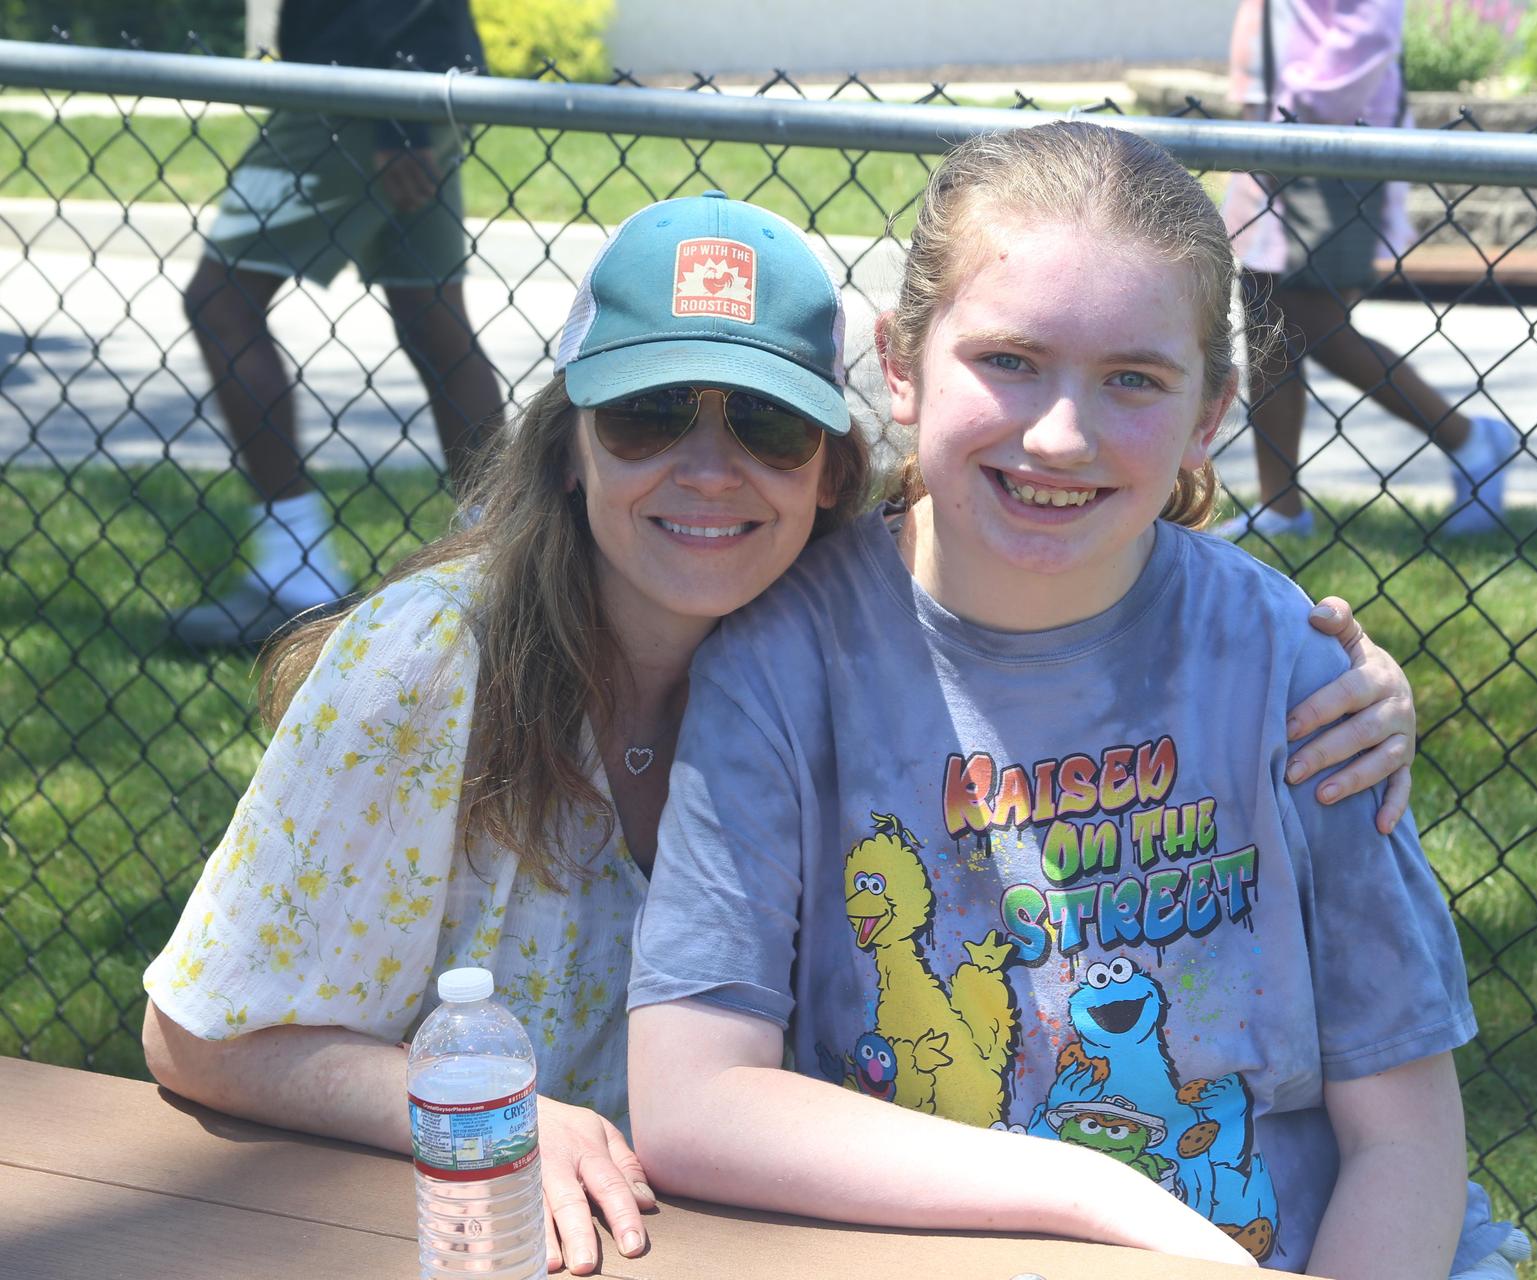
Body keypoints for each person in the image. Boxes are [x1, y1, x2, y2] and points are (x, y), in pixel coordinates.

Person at [142, 190, 1424, 1276]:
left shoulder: (807, 639)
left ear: (830, 461)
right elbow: (197, 1032)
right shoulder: (430, 667)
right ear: (570, 443)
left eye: (762, 424)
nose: (708, 470)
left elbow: (1058, 547)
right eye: (648, 416)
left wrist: (1340, 680)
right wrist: (493, 1105)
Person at [625, 122, 1527, 1276]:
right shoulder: (784, 660)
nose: (1061, 433)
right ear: (900, 366)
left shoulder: (1293, 673)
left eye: (1134, 380)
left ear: (1210, 414)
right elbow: (697, 1097)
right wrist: (1095, 1193)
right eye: (1010, 360)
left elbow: (1403, 1135)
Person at [170, 0, 505, 648]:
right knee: (429, 313)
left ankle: (294, 570)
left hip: (364, 79)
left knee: (220, 301)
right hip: (414, 75)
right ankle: (508, 560)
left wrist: (393, 122)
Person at [1213, 0, 1520, 544]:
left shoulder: (1314, 112)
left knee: (1313, 318)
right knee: (1265, 321)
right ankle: (1280, 506)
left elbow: (1370, 27)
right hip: (1279, 134)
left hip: (1330, 138)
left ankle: (1472, 442)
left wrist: (1300, 104)